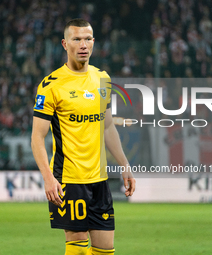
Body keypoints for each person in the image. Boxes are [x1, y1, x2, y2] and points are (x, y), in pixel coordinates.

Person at [31, 18, 135, 255]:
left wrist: (124, 165)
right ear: (64, 44)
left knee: (105, 250)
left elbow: (107, 127)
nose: (83, 44)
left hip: (99, 179)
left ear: (94, 42)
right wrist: (48, 178)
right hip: (69, 179)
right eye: (76, 39)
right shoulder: (51, 85)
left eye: (88, 39)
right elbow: (37, 137)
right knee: (78, 249)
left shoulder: (103, 79)